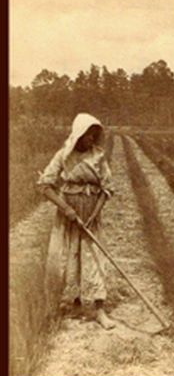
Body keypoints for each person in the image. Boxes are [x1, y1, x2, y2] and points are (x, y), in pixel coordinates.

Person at [37, 113, 115, 330]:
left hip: (91, 215)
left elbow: (107, 189)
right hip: (68, 215)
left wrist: (94, 214)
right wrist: (67, 209)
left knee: (95, 258)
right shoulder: (63, 155)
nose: (91, 139)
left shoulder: (98, 157)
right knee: (66, 257)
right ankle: (70, 304)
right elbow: (45, 186)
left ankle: (99, 309)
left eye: (94, 135)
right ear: (78, 135)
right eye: (88, 135)